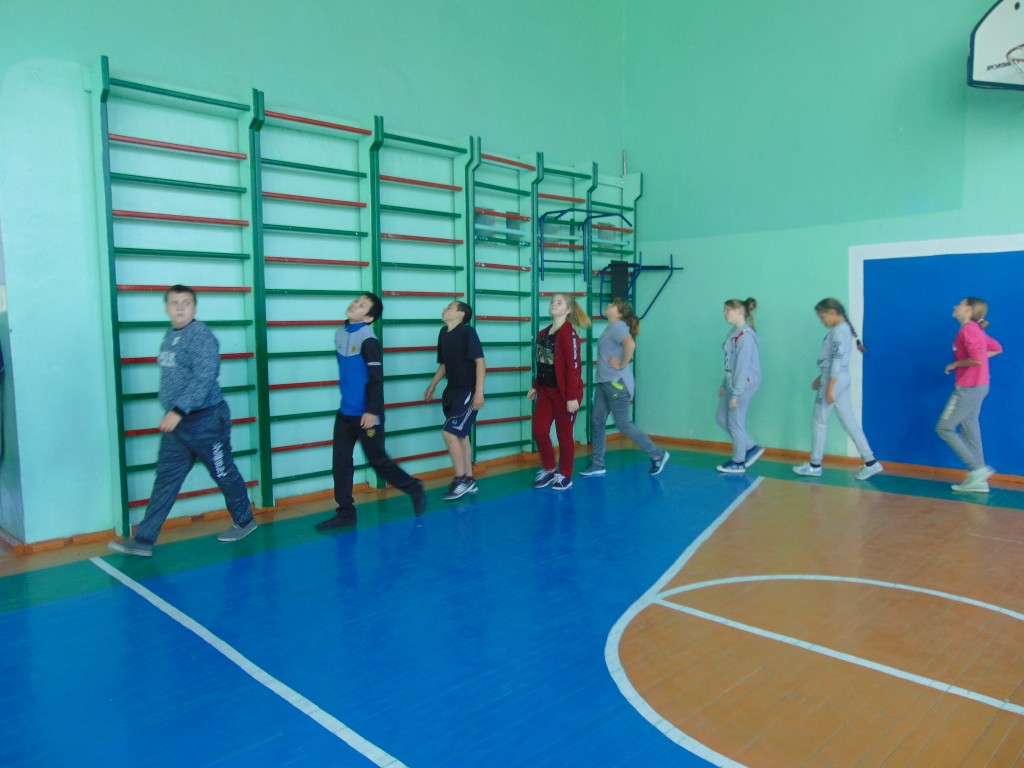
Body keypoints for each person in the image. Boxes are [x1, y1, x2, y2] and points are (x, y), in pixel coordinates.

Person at [108, 285, 256, 557]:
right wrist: (174, 411)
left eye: (185, 302)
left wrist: (177, 410)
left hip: (206, 422)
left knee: (223, 472)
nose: (179, 307)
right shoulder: (170, 335)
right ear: (167, 308)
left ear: (194, 307)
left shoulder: (200, 336)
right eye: (174, 303)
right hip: (178, 426)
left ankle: (244, 520)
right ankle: (144, 539)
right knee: (166, 478)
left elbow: (205, 377)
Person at [316, 293, 426, 529]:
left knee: (378, 462)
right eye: (356, 301)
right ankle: (346, 512)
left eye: (362, 305)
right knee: (340, 463)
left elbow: (376, 379)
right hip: (345, 413)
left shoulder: (369, 339)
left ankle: (413, 487)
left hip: (367, 414)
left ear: (368, 318)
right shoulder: (340, 334)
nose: (355, 304)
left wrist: (371, 411)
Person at [793, 297, 883, 480]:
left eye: (822, 317)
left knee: (819, 421)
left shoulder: (839, 331)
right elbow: (832, 360)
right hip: (837, 378)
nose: (822, 321)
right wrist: (821, 378)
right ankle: (871, 462)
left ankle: (815, 465)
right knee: (849, 421)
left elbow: (837, 361)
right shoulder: (842, 330)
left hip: (835, 380)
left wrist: (830, 387)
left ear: (833, 312)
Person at [579, 298, 668, 478]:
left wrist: (621, 364)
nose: (608, 305)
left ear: (619, 313)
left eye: (612, 305)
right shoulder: (611, 327)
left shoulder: (618, 327)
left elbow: (630, 344)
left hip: (616, 383)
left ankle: (657, 455)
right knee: (597, 420)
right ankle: (597, 464)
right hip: (604, 382)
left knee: (623, 424)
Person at [937, 297, 1002, 493]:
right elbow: (996, 348)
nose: (955, 306)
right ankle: (979, 481)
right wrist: (975, 359)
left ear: (969, 309)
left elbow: (977, 359)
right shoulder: (976, 329)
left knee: (944, 428)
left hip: (968, 388)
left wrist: (956, 364)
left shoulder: (968, 330)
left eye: (960, 304)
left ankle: (977, 469)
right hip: (979, 386)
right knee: (970, 427)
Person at [424, 301, 485, 500]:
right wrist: (433, 385)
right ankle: (469, 479)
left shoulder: (468, 332)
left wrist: (479, 392)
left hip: (468, 391)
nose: (445, 309)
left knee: (449, 433)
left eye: (450, 307)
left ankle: (461, 480)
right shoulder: (443, 333)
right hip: (452, 391)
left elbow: (480, 362)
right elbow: (444, 364)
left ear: (460, 314)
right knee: (461, 436)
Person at [527, 293, 589, 491]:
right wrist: (536, 385)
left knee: (564, 436)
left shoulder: (570, 334)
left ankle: (565, 475)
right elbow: (543, 364)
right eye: (553, 301)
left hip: (565, 394)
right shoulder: (542, 334)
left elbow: (574, 367)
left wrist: (571, 397)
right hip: (546, 392)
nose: (554, 304)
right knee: (539, 430)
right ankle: (549, 468)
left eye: (559, 302)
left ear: (568, 310)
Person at [715, 298, 764, 474]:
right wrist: (724, 383)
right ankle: (751, 447)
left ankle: (738, 461)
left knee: (736, 423)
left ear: (739, 312)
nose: (724, 313)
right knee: (722, 418)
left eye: (727, 310)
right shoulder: (733, 334)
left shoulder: (745, 337)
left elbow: (742, 368)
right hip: (733, 383)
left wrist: (735, 394)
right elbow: (731, 363)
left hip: (743, 385)